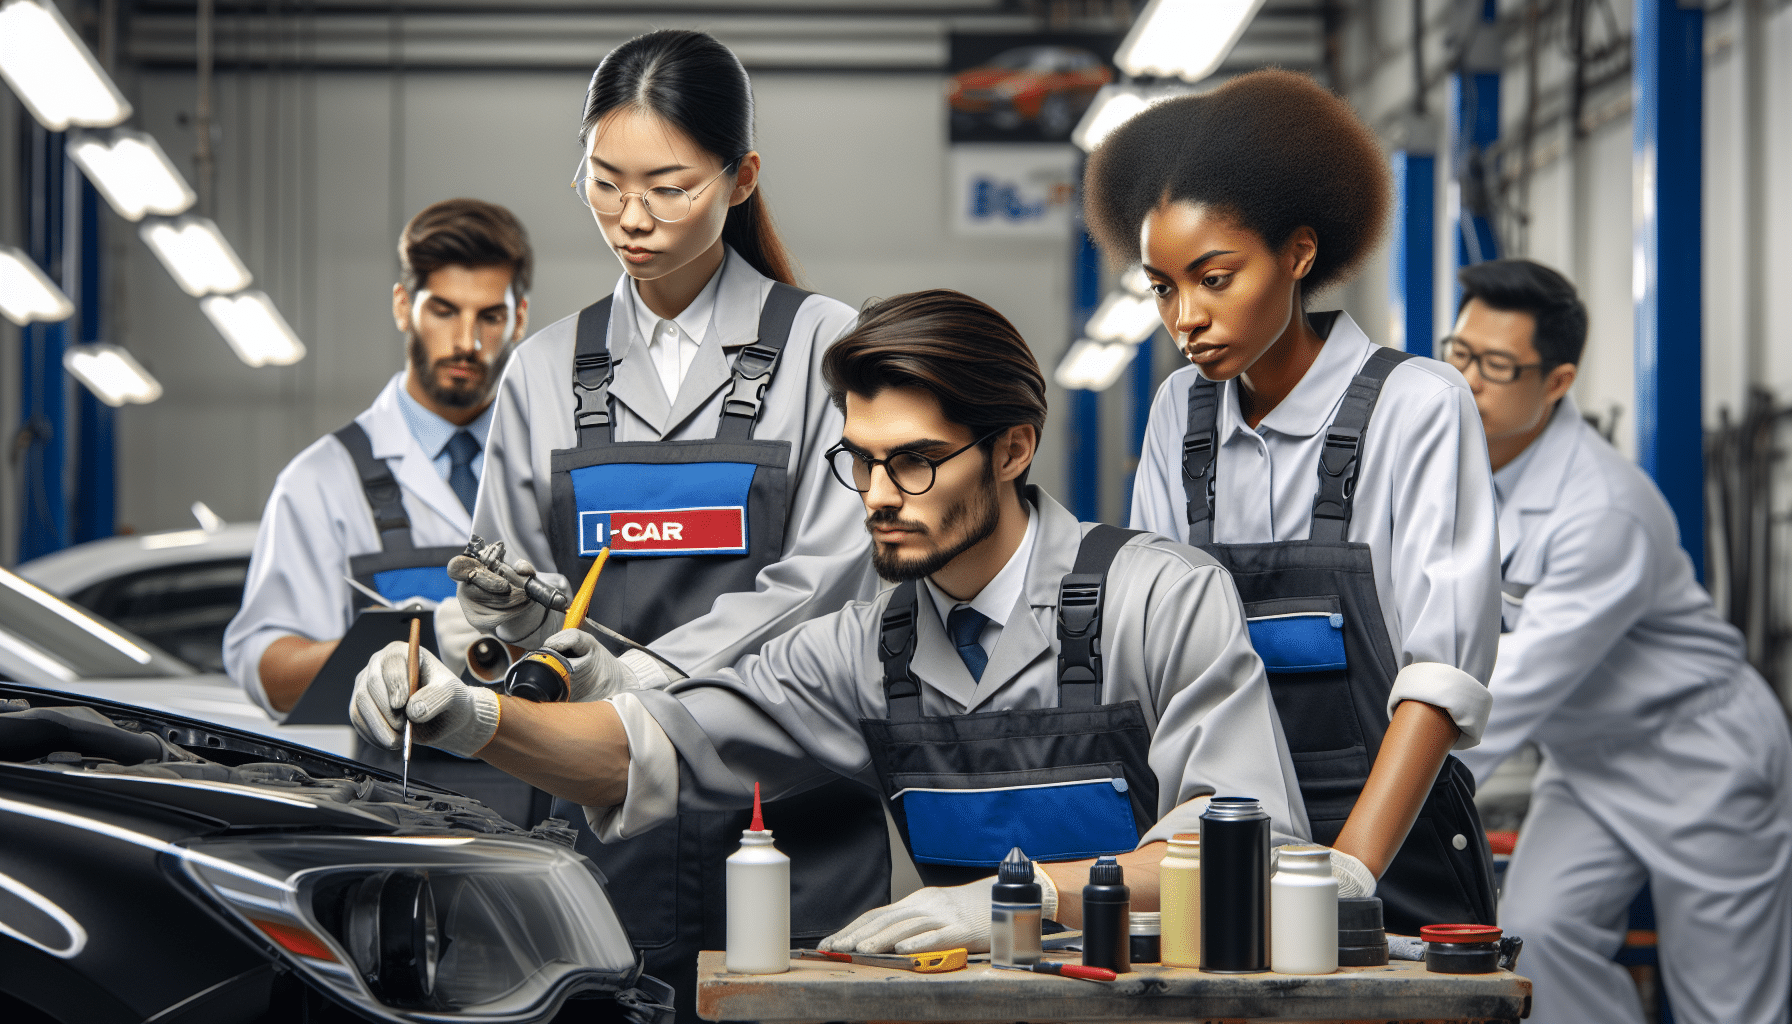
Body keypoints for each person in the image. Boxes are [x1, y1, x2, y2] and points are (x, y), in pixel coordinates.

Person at [351, 288, 1310, 954]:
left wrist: (1021, 898)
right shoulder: (859, 649)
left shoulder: (1162, 601)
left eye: (916, 462)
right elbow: (644, 751)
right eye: (860, 461)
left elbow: (1248, 845)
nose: (878, 497)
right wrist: (472, 718)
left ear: (1013, 448)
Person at [439, 30, 887, 1021]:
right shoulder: (545, 369)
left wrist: (636, 681)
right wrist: (483, 637)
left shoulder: (829, 348)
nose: (630, 220)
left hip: (790, 840)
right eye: (605, 184)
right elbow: (504, 601)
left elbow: (825, 587)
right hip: (598, 842)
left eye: (668, 187)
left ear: (740, 179)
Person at [1088, 69, 1501, 934]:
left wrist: (1348, 871)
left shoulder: (1417, 404)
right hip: (1221, 847)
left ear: (1299, 254)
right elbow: (1162, 656)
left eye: (1215, 277)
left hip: (1394, 851)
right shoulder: (1179, 416)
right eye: (1163, 287)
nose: (1184, 317)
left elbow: (1441, 675)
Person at [1445, 259, 1792, 1024]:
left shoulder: (1602, 508)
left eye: (1496, 366)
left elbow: (1517, 688)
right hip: (1590, 763)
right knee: (1534, 938)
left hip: (1700, 758)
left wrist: (1384, 804)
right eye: (1459, 353)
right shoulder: (1460, 473)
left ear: (1557, 382)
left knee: (1724, 1005)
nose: (1467, 379)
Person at [225, 198, 531, 716]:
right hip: (395, 791)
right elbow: (270, 675)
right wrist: (411, 643)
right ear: (401, 306)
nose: (466, 342)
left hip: (543, 787)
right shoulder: (322, 481)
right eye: (443, 310)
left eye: (490, 316)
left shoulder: (544, 464)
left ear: (519, 318)